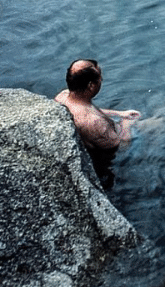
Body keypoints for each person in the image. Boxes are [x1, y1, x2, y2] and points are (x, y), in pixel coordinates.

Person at [55, 59, 142, 189]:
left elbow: (90, 110)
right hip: (114, 149)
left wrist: (119, 114)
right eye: (100, 77)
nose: (101, 80)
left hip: (107, 129)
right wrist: (127, 124)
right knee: (157, 123)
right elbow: (122, 146)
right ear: (91, 85)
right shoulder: (95, 123)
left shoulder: (63, 96)